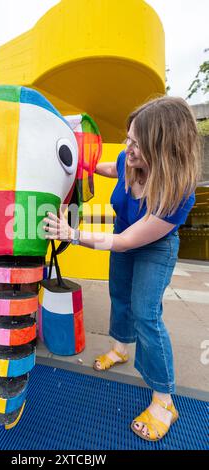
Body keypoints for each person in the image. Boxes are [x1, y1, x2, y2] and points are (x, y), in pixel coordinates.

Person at [43, 96, 201, 442]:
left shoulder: (179, 193)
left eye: (137, 144)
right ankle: (120, 348)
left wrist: (74, 234)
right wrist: (84, 166)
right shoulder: (128, 159)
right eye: (128, 138)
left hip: (154, 248)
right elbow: (115, 168)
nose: (128, 148)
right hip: (124, 239)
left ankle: (164, 399)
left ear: (163, 150)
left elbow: (129, 241)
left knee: (146, 313)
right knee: (119, 296)